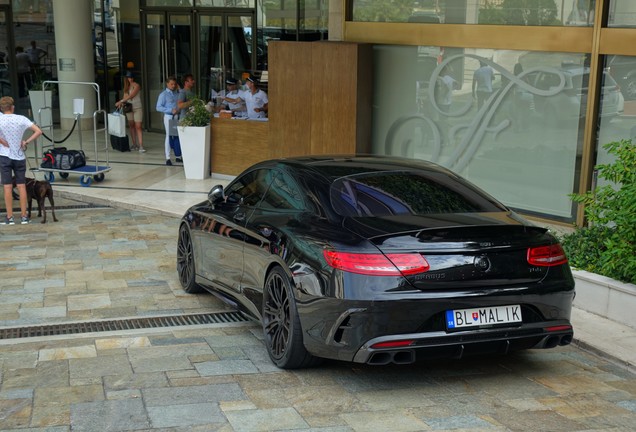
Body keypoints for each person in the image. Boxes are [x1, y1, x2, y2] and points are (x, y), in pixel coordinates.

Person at [0, 96, 42, 225]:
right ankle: (24, 217)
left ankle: (10, 217)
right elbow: (38, 131)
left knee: (7, 186)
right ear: (12, 107)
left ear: (1, 108)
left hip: (4, 155)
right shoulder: (21, 119)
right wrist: (25, 142)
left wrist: (2, 141)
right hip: (19, 156)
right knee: (21, 186)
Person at [116, 71, 145, 152]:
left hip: (137, 107)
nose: (130, 79)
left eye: (131, 77)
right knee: (131, 126)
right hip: (129, 108)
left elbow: (131, 95)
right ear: (127, 78)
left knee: (138, 126)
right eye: (129, 77)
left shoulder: (137, 85)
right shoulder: (126, 87)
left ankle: (141, 145)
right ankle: (134, 144)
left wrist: (120, 101)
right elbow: (125, 97)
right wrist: (121, 103)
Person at [155, 75, 181, 166]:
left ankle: (178, 156)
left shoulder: (177, 93)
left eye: (174, 84)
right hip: (169, 117)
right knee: (169, 136)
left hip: (177, 117)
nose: (173, 86)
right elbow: (158, 107)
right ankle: (168, 158)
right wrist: (170, 110)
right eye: (171, 84)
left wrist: (179, 88)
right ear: (167, 84)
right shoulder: (163, 95)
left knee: (176, 136)